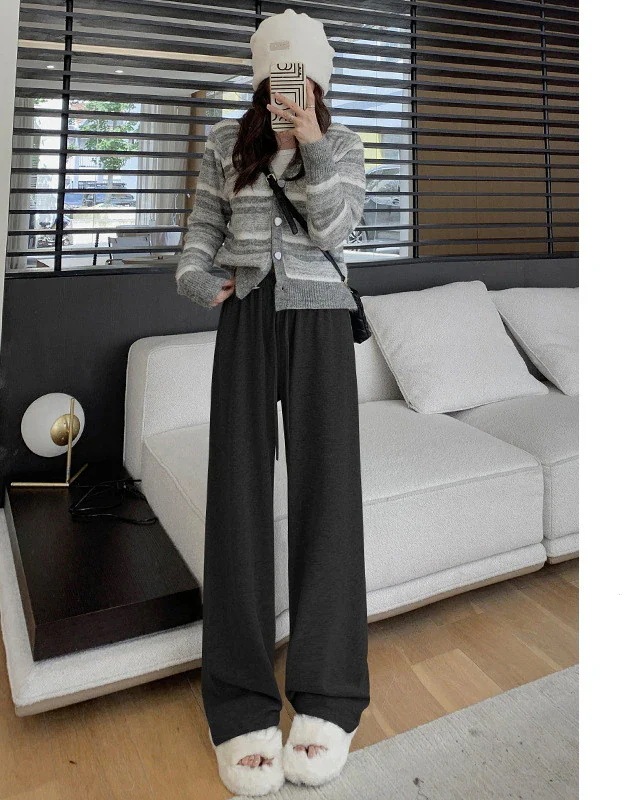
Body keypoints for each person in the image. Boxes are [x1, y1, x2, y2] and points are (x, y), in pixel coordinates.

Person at [174, 9, 370, 796]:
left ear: (320, 79)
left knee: (329, 500)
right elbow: (202, 227)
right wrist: (196, 278)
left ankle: (329, 697)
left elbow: (334, 227)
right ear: (259, 79)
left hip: (320, 320)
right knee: (239, 501)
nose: (289, 88)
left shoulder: (344, 145)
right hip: (247, 316)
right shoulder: (226, 142)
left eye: (303, 76)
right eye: (277, 76)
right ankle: (240, 704)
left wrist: (309, 142)